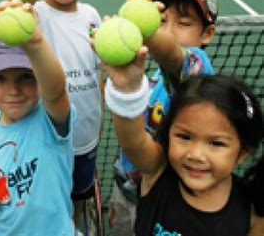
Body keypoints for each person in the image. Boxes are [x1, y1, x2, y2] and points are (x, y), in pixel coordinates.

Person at [101, 43, 264, 235]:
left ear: (243, 152)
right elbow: (133, 140)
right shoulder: (157, 171)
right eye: (184, 137)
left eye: (216, 143)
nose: (195, 154)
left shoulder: (251, 211)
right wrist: (126, 89)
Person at [108, 0, 219, 235]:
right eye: (162, 21)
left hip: (165, 198)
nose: (169, 31)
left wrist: (148, 31)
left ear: (207, 34)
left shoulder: (198, 74)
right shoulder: (154, 76)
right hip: (126, 188)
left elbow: (172, 54)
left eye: (183, 23)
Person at [0, 0, 75, 236]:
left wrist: (35, 43)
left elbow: (56, 90)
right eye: (0, 79)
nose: (13, 89)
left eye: (26, 77)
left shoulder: (50, 120)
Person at [32, 0, 103, 232]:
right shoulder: (34, 14)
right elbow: (14, 26)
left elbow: (98, 72)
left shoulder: (92, 15)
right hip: (47, 140)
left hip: (86, 138)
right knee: (48, 200)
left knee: (78, 197)